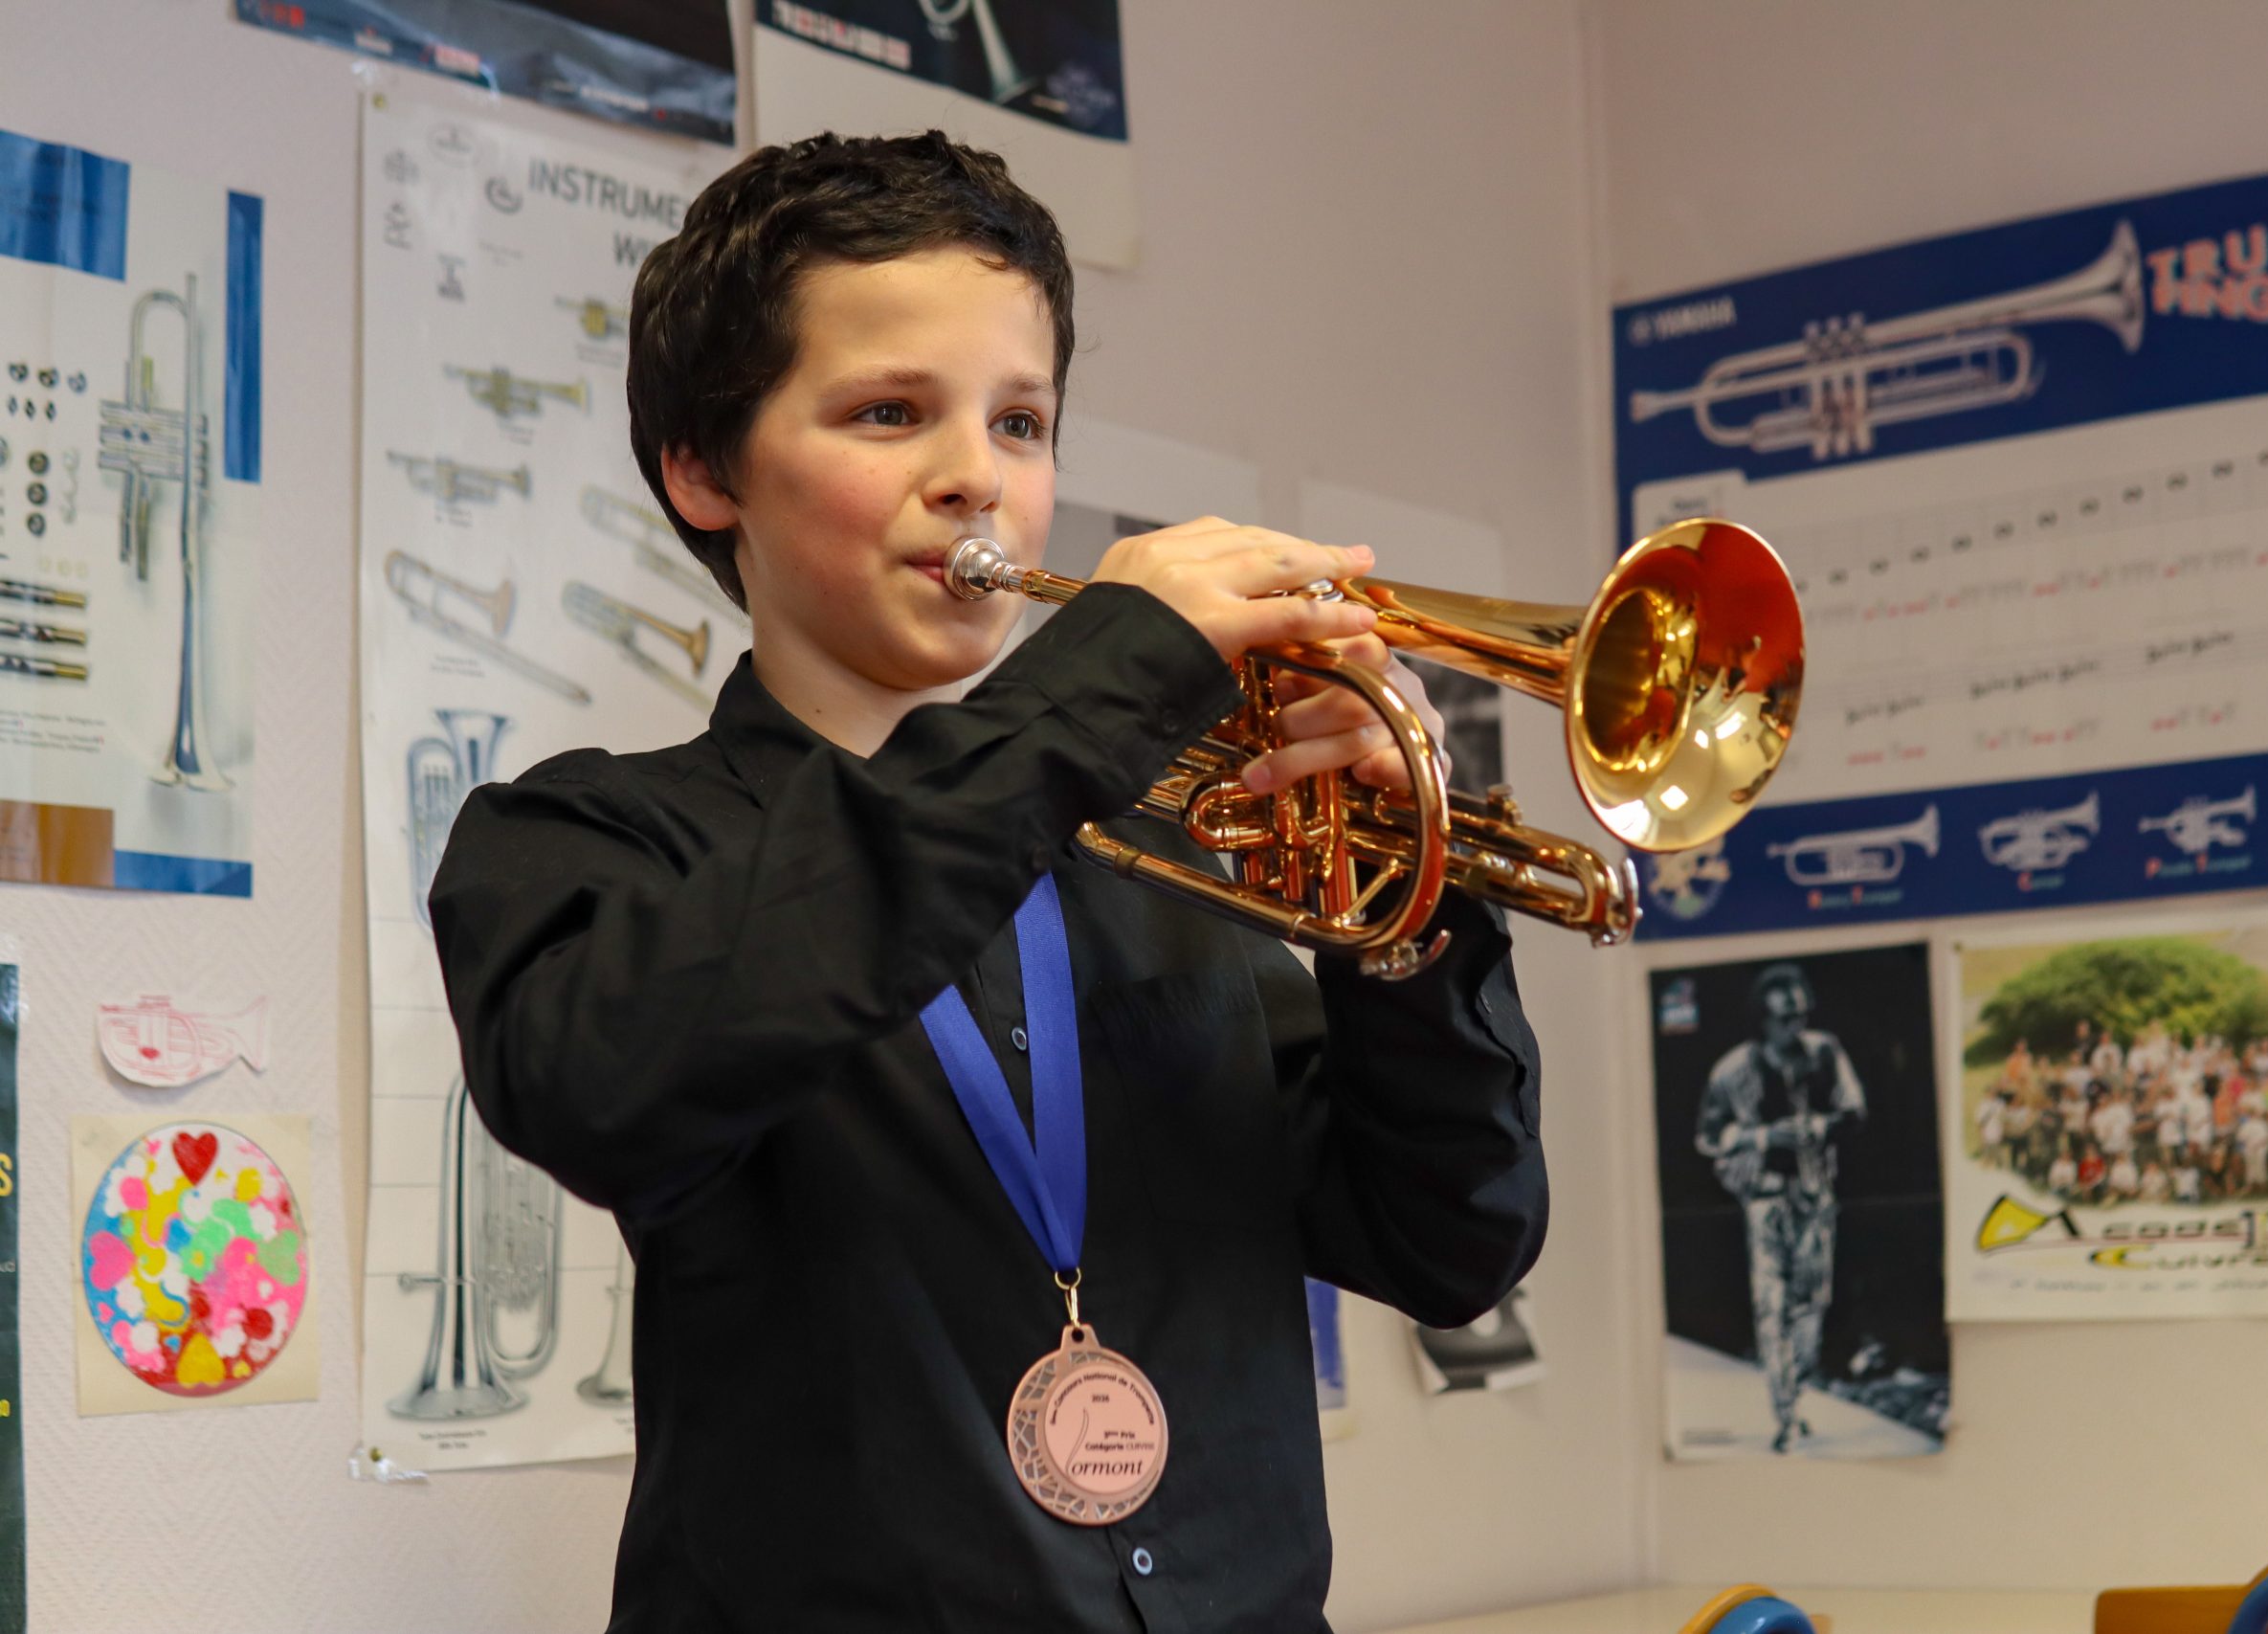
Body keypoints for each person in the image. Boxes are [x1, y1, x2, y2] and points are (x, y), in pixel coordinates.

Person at [427, 132, 1545, 1631]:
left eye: (1022, 422)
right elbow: (605, 1086)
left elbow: (1447, 1244)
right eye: (891, 411)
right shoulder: (586, 841)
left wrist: (1406, 916)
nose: (978, 478)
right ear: (703, 470)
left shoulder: (1175, 856)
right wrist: (1093, 695)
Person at [1694, 962, 1865, 1454]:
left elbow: (1855, 1110)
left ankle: (1797, 1394)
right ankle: (1785, 1414)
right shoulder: (1733, 1071)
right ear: (1763, 1021)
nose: (1797, 1026)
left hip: (1815, 1196)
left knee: (1813, 1304)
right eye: (1786, 1019)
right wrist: (1764, 1135)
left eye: (1801, 1016)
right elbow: (1708, 1136)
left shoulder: (1825, 1053)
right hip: (1765, 1199)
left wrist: (1822, 1126)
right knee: (1772, 1306)